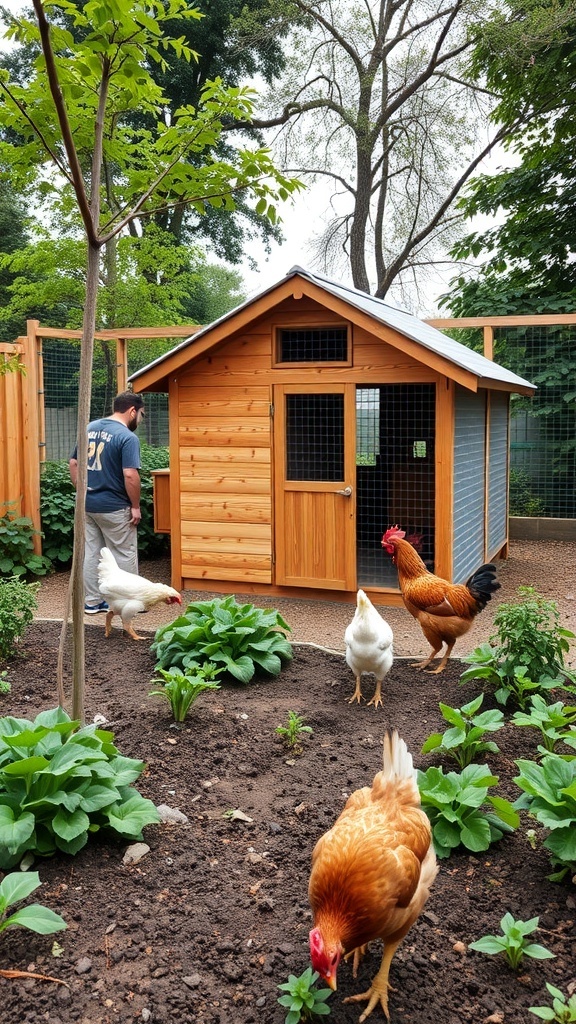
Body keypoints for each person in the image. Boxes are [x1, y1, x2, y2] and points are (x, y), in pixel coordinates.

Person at [69, 391, 145, 613]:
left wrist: (82, 491)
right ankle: (130, 603)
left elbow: (74, 463)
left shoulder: (89, 428)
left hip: (88, 504)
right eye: (141, 415)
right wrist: (136, 506)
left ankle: (92, 602)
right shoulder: (127, 437)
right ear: (132, 411)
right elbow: (130, 475)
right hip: (114, 506)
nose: (140, 420)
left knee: (92, 552)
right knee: (123, 553)